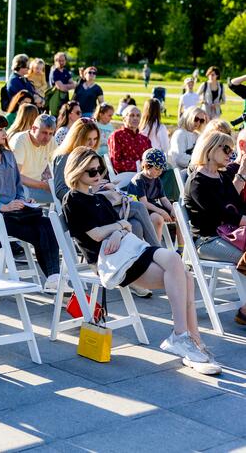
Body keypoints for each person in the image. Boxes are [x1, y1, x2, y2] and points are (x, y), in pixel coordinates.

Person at [63, 146, 220, 374]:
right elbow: (95, 234)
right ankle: (188, 340)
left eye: (100, 170)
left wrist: (119, 227)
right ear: (76, 172)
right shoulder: (73, 200)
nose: (98, 175)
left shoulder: (97, 196)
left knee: (180, 267)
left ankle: (187, 338)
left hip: (129, 248)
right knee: (184, 278)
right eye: (92, 172)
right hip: (111, 261)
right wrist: (119, 227)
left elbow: (122, 224)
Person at [0, 113, 62, 293]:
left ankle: (53, 278)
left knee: (47, 223)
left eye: (4, 129)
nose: (5, 133)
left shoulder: (8, 156)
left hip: (17, 211)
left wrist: (23, 199)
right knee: (39, 233)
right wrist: (2, 206)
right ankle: (53, 277)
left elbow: (18, 185)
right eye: (0, 129)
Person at [52, 119, 161, 251]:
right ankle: (155, 251)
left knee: (136, 225)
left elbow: (103, 181)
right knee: (138, 207)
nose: (92, 143)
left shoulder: (92, 156)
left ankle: (134, 261)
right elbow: (60, 190)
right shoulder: (65, 157)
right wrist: (89, 191)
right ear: (76, 138)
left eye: (95, 139)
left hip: (102, 203)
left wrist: (107, 187)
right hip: (86, 210)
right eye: (88, 139)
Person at [187, 131, 246, 327]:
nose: (231, 154)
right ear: (210, 148)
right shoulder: (197, 181)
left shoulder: (220, 177)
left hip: (227, 235)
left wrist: (242, 172)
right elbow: (220, 214)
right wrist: (242, 220)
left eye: (232, 150)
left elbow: (236, 204)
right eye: (227, 149)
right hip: (207, 240)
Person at [127, 149, 183, 249]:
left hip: (153, 207)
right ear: (146, 165)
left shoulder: (156, 179)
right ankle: (156, 248)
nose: (160, 172)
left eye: (161, 169)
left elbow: (164, 199)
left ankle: (181, 248)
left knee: (179, 215)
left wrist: (172, 210)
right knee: (157, 219)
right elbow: (144, 203)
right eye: (157, 169)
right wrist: (162, 212)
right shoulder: (139, 180)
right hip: (141, 210)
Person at [9, 114, 57, 204]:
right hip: (17, 187)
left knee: (66, 194)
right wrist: (43, 185)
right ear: (34, 128)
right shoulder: (20, 141)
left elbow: (61, 166)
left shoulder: (51, 141)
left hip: (36, 187)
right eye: (44, 132)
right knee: (24, 193)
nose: (47, 137)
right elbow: (15, 176)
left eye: (51, 133)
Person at [108, 105, 151, 173]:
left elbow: (151, 161)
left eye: (138, 116)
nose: (135, 118)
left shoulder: (145, 139)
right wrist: (139, 166)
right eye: (132, 115)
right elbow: (116, 163)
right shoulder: (117, 136)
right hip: (125, 178)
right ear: (124, 119)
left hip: (145, 176)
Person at [48, 52, 76, 116]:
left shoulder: (65, 71)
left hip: (65, 100)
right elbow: (61, 87)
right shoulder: (54, 71)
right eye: (59, 60)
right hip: (56, 101)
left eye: (63, 60)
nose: (61, 62)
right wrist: (68, 86)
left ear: (65, 61)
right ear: (55, 61)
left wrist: (66, 86)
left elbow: (73, 84)